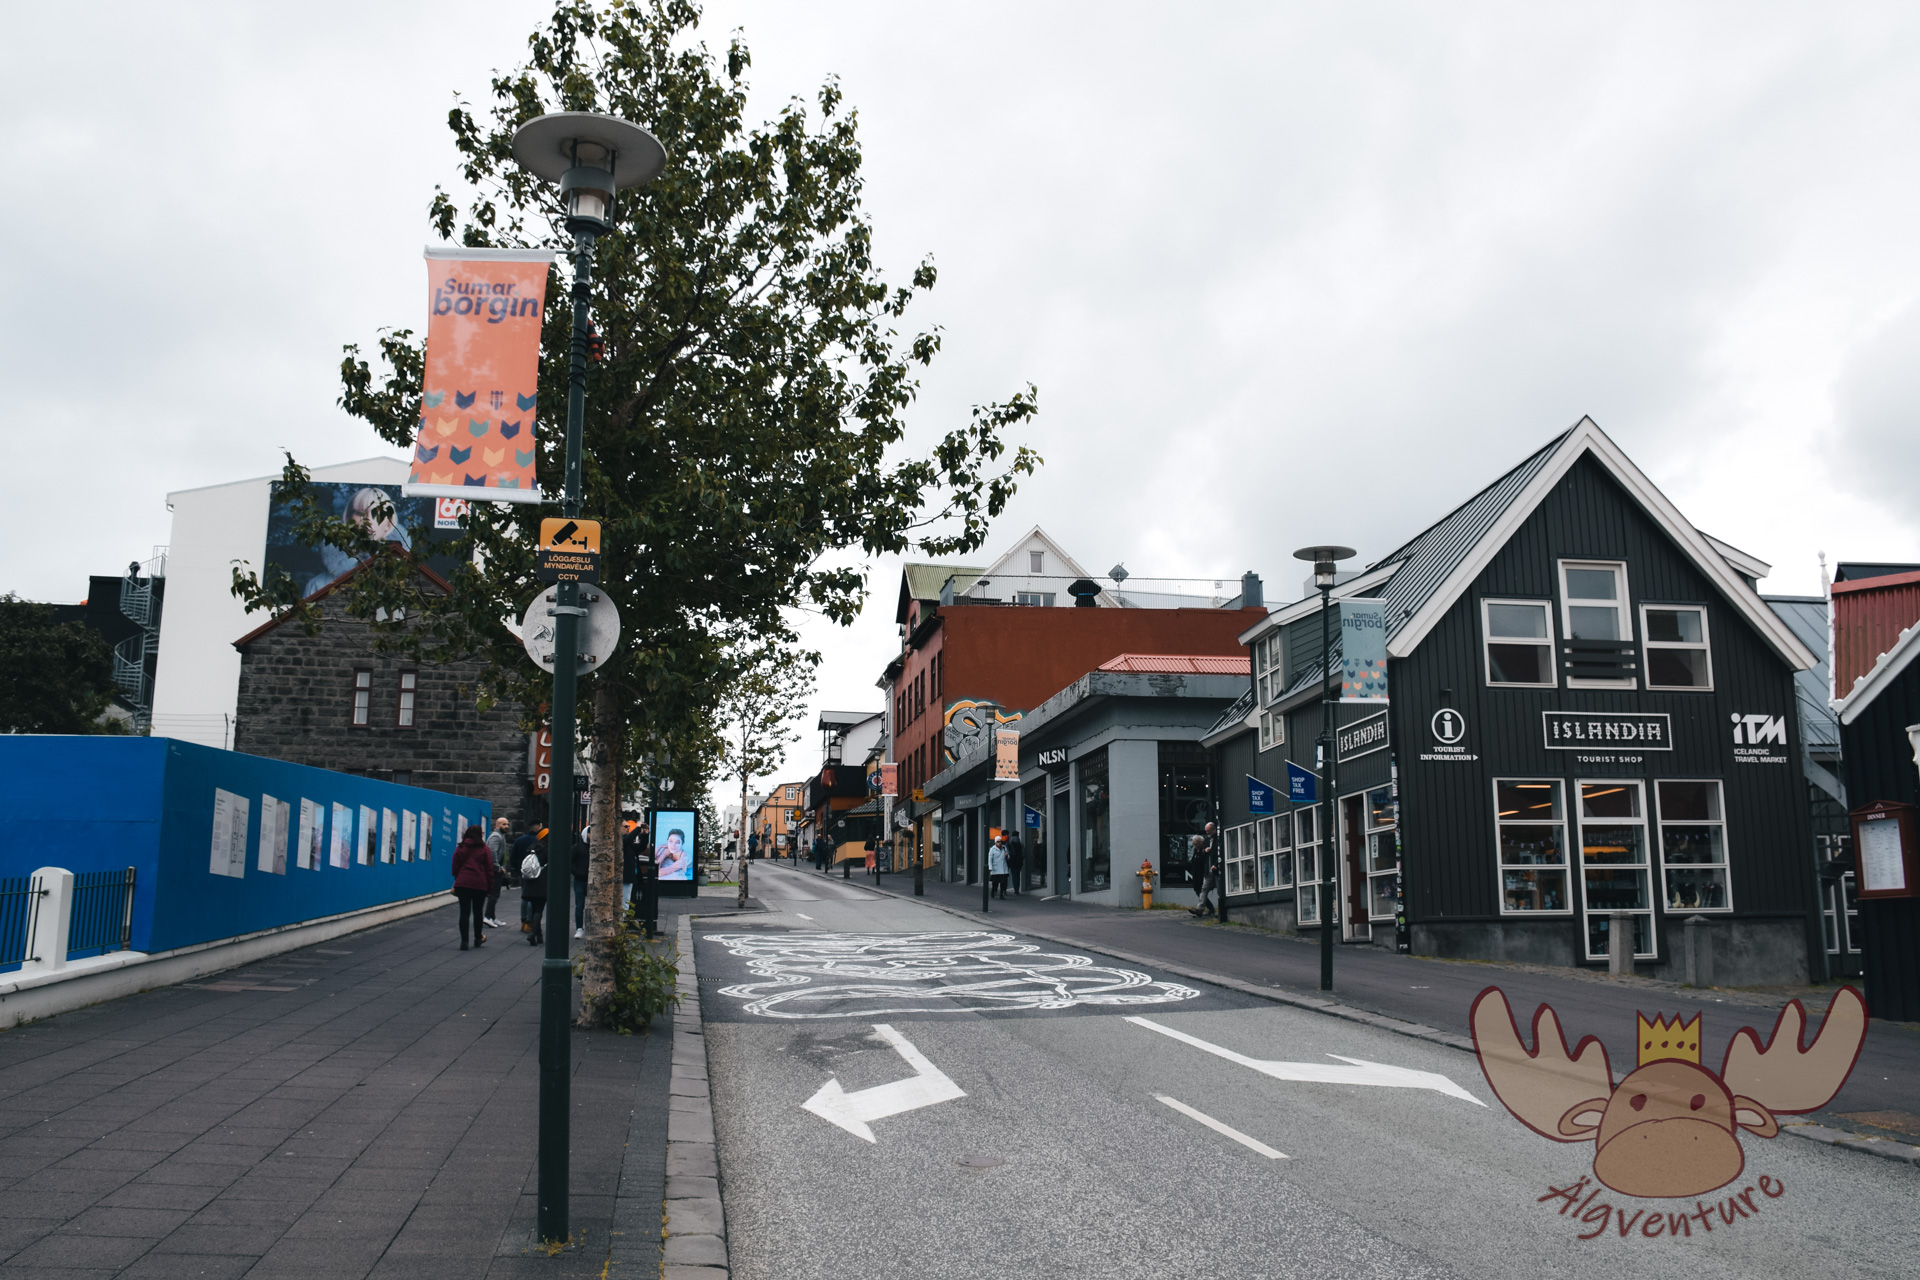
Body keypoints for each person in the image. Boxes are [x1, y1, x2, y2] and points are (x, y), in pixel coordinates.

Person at [450, 824, 493, 950]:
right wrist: (490, 888)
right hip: (480, 884)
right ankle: (478, 938)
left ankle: (464, 941)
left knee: (464, 912)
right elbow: (489, 870)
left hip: (463, 884)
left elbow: (454, 866)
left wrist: (459, 877)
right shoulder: (484, 849)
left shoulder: (461, 847)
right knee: (478, 912)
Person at [520, 833, 549, 946]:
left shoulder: (531, 848)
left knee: (533, 907)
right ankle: (532, 933)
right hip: (542, 881)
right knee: (539, 909)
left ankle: (539, 935)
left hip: (530, 881)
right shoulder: (548, 849)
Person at [512, 827, 541, 933]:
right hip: (536, 873)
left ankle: (523, 922)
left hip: (523, 872)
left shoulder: (519, 840)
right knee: (532, 898)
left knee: (524, 896)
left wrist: (517, 870)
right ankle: (529, 922)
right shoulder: (539, 842)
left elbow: (512, 857)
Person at [484, 818, 511, 928]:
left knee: (495, 893)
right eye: (504, 824)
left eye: (507, 824)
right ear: (498, 825)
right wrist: (497, 866)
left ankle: (492, 917)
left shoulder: (500, 836)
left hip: (496, 869)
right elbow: (492, 851)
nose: (507, 826)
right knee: (494, 894)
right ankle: (487, 917)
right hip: (494, 870)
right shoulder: (496, 836)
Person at [1189, 824, 1219, 918]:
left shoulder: (1218, 840)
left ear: (1214, 830)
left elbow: (1220, 853)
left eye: (1208, 831)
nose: (1207, 833)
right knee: (1204, 889)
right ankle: (1200, 909)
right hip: (1208, 870)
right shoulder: (1206, 841)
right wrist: (1205, 851)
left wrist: (1216, 865)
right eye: (1206, 831)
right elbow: (1202, 855)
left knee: (1220, 890)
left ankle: (1219, 909)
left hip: (1216, 869)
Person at [571, 832, 591, 938]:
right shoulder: (577, 848)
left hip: (586, 879)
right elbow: (571, 862)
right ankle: (579, 928)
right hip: (580, 879)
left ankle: (586, 927)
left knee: (590, 906)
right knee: (579, 905)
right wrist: (576, 872)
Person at [987, 833, 1010, 899]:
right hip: (996, 869)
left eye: (1000, 841)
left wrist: (1007, 855)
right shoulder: (992, 849)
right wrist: (990, 867)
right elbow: (990, 858)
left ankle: (1001, 894)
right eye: (998, 842)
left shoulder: (1004, 848)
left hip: (1003, 868)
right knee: (995, 882)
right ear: (995, 842)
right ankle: (993, 891)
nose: (1000, 843)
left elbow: (1008, 857)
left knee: (1003, 882)